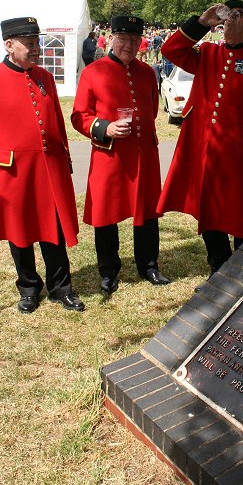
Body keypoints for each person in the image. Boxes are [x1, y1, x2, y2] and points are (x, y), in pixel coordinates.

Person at [0, 17, 84, 313]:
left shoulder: (44, 76)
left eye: (37, 42)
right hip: (11, 173)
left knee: (53, 229)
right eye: (29, 43)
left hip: (48, 172)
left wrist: (64, 156)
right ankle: (28, 288)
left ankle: (61, 288)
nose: (36, 48)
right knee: (19, 231)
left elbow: (54, 120)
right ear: (9, 45)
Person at [157, 0, 243, 277]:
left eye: (238, 16)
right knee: (209, 213)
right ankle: (219, 269)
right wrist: (201, 23)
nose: (229, 19)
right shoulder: (207, 53)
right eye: (229, 14)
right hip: (205, 151)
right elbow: (170, 50)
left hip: (242, 156)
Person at [71, 15, 170, 297]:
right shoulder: (93, 72)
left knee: (147, 213)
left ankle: (148, 265)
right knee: (106, 215)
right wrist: (106, 127)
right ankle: (108, 271)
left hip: (142, 155)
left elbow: (151, 110)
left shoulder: (148, 72)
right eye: (123, 39)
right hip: (109, 155)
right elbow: (79, 116)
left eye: (134, 40)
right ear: (111, 38)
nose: (129, 44)